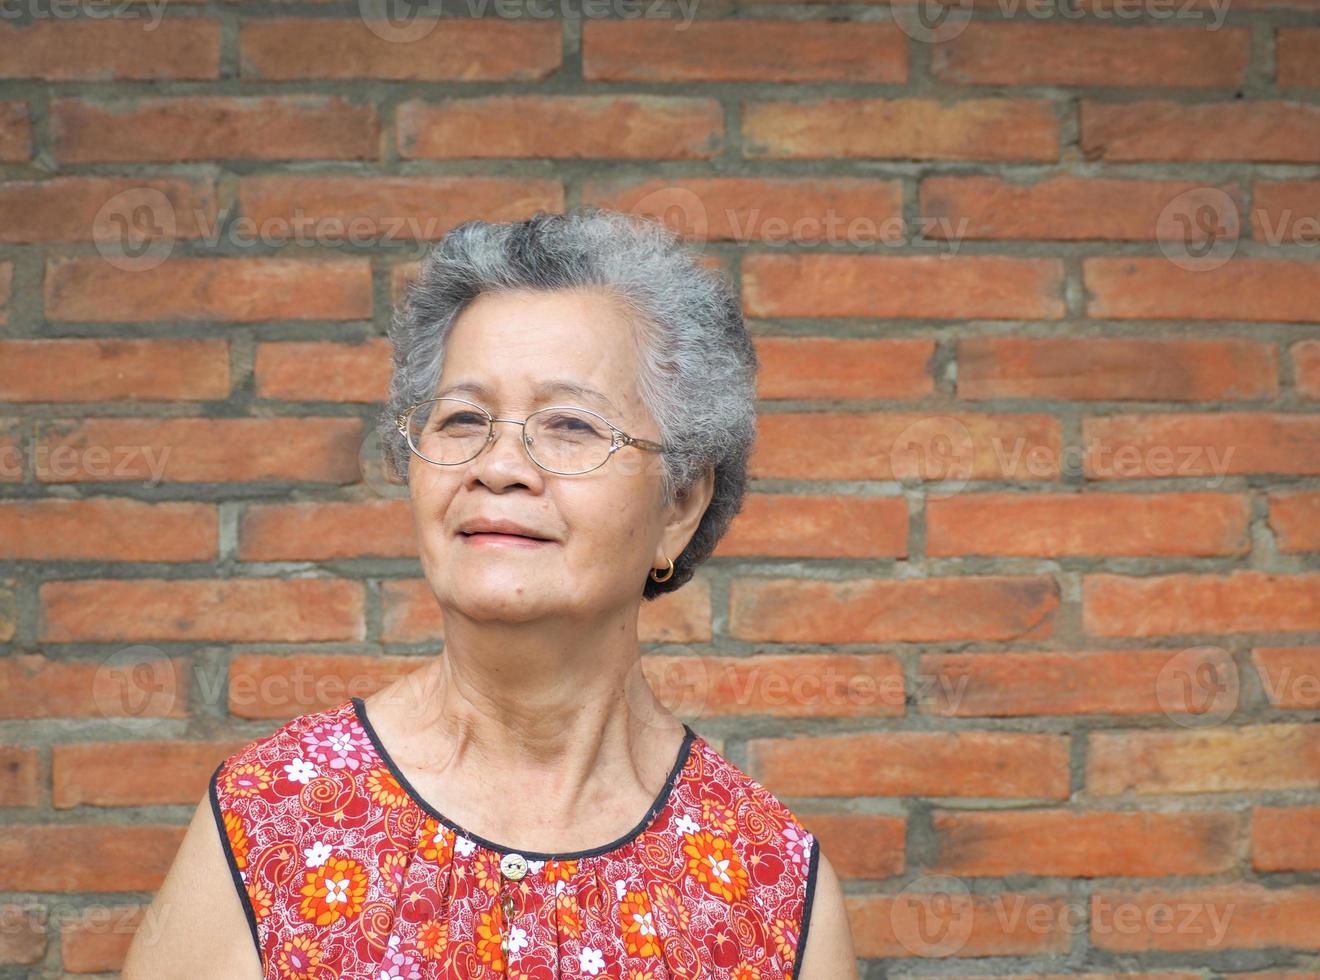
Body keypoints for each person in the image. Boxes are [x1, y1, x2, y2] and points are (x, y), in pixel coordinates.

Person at [124, 207, 858, 979]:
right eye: (463, 418)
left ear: (679, 505)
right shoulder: (271, 819)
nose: (498, 465)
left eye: (571, 426)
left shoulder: (771, 890)